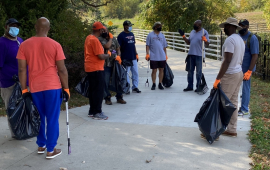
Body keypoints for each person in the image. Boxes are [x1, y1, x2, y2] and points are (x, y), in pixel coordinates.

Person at [17, 17, 69, 159]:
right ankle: (51, 150)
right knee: (52, 118)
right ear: (49, 28)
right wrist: (66, 89)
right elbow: (62, 70)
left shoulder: (24, 45)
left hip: (35, 88)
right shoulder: (55, 45)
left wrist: (24, 90)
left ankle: (41, 145)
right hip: (52, 87)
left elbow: (21, 70)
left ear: (35, 27)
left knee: (38, 117)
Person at [214, 17, 245, 137]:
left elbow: (227, 61)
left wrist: (218, 78)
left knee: (221, 103)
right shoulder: (240, 39)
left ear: (232, 27)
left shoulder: (230, 41)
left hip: (230, 75)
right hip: (238, 73)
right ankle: (232, 129)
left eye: (226, 26)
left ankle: (214, 131)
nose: (225, 28)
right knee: (233, 102)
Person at [0, 18, 23, 137]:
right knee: (11, 108)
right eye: (12, 25)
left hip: (23, 81)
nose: (15, 28)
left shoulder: (20, 41)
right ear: (6, 27)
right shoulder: (2, 42)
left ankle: (24, 128)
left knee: (23, 107)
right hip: (9, 82)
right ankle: (15, 132)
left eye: (16, 26)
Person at [84, 22, 110, 119]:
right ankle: (97, 112)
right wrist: (109, 55)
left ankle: (92, 111)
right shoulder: (95, 40)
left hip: (90, 67)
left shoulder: (88, 38)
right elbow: (101, 56)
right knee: (98, 91)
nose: (103, 31)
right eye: (102, 29)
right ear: (99, 30)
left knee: (93, 90)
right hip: (96, 68)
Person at [178, 20, 210, 92]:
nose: (194, 26)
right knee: (190, 71)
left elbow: (208, 44)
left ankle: (198, 86)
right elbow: (188, 42)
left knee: (199, 72)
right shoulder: (192, 32)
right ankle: (190, 86)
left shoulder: (204, 32)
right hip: (191, 54)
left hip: (199, 55)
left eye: (196, 25)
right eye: (194, 24)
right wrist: (183, 36)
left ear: (200, 25)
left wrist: (205, 40)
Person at [98, 27, 126, 105]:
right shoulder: (99, 39)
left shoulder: (114, 39)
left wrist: (119, 55)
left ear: (108, 31)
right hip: (105, 64)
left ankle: (119, 97)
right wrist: (110, 38)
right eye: (102, 31)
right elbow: (107, 46)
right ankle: (107, 98)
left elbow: (118, 48)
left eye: (105, 30)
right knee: (105, 82)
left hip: (115, 63)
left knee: (118, 80)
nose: (104, 32)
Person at [238, 19, 259, 116]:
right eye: (240, 25)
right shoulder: (238, 36)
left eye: (243, 26)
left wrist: (249, 71)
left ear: (247, 26)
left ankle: (244, 109)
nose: (241, 27)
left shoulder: (252, 38)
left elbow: (255, 55)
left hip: (247, 69)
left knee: (245, 88)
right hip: (237, 68)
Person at [117, 20, 141, 94]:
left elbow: (133, 45)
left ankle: (135, 87)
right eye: (129, 25)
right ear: (125, 26)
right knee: (126, 73)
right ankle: (127, 88)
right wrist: (119, 57)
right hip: (125, 57)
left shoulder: (132, 34)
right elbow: (118, 47)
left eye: (130, 25)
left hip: (133, 56)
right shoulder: (121, 36)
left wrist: (136, 54)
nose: (130, 27)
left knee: (135, 73)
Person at [145, 22, 168, 90]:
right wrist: (147, 53)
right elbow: (147, 45)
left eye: (160, 26)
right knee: (154, 70)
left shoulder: (162, 35)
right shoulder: (150, 35)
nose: (160, 27)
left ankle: (160, 83)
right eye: (159, 26)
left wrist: (165, 55)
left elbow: (164, 46)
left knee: (161, 70)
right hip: (153, 56)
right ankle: (154, 84)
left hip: (161, 56)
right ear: (155, 27)